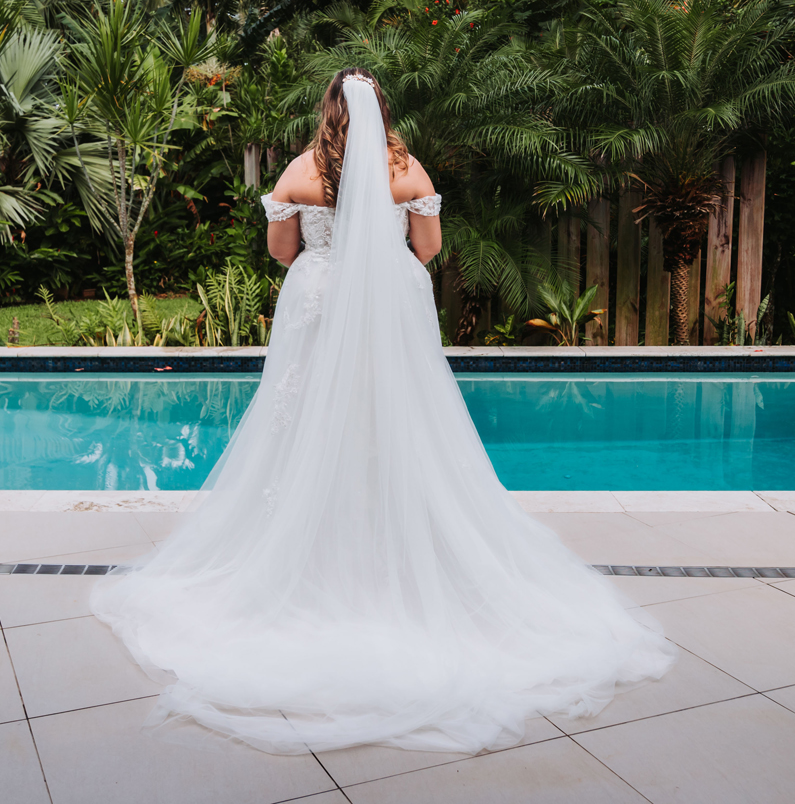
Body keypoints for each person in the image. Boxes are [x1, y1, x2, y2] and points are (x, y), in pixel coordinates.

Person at [93, 68, 674, 755]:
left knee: (309, 424)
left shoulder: (301, 171)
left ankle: (313, 553)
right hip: (390, 304)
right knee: (394, 420)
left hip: (319, 300)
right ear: (381, 111)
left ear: (328, 110)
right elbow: (427, 249)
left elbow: (282, 252)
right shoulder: (407, 168)